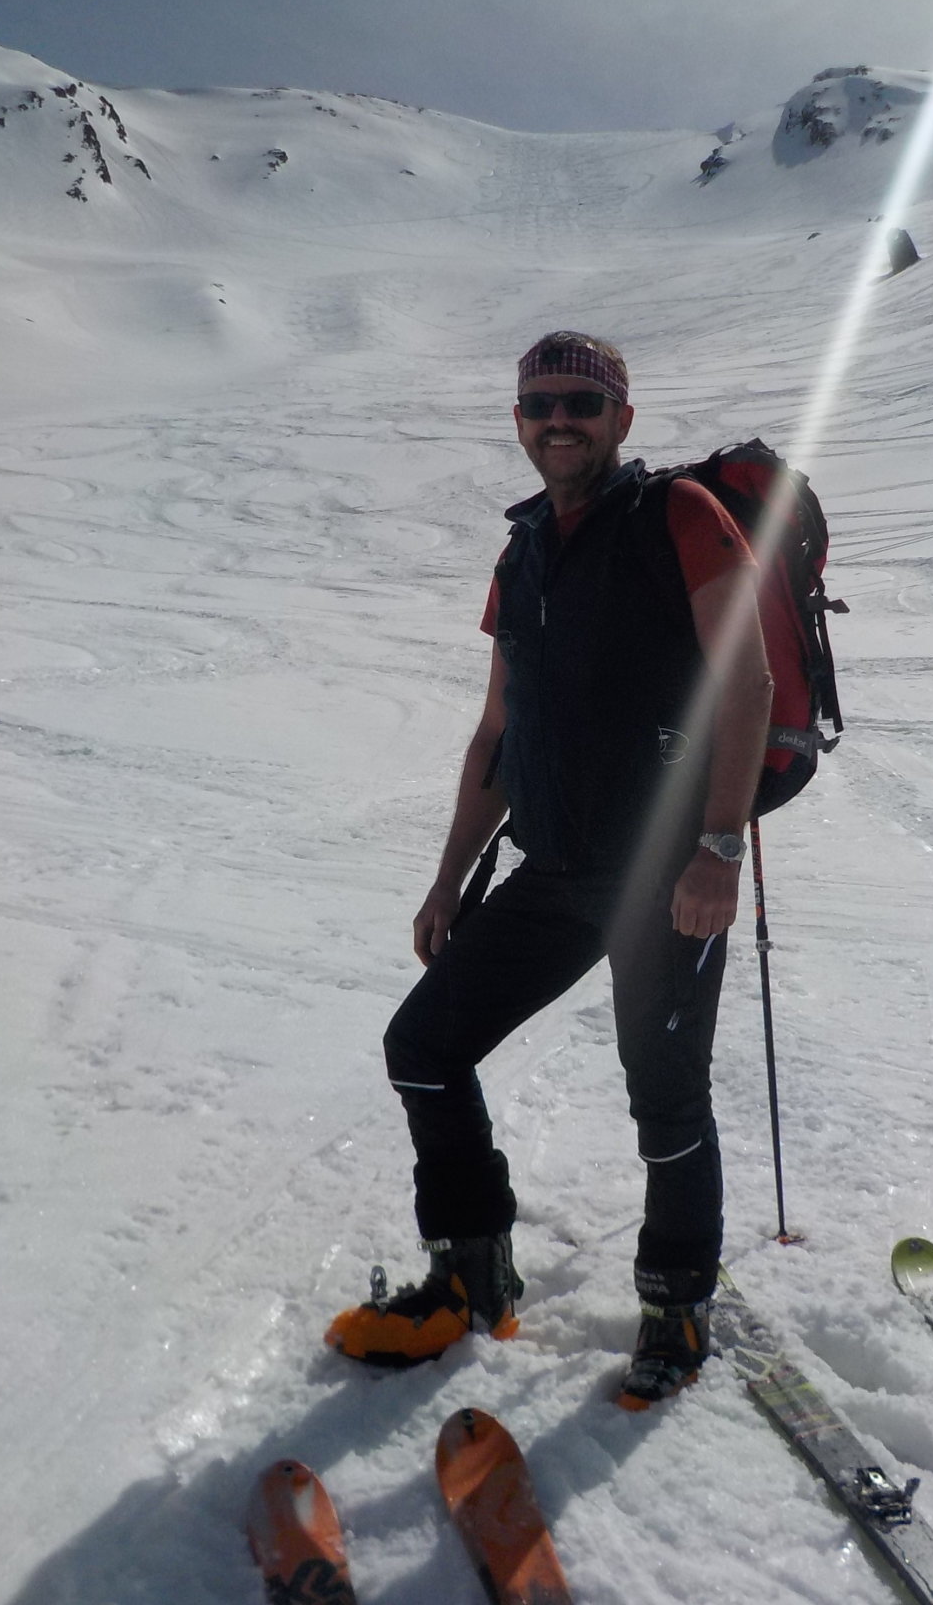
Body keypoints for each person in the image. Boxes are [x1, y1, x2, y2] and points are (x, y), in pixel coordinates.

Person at [325, 332, 774, 1409]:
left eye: (581, 401)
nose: (558, 420)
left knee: (665, 1095)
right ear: (520, 422)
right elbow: (497, 731)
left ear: (621, 417)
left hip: (668, 871)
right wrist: (447, 880)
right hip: (558, 865)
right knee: (424, 1047)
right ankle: (473, 1273)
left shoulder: (678, 515)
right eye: (539, 404)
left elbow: (748, 684)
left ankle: (677, 1305)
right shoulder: (521, 551)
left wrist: (720, 849)